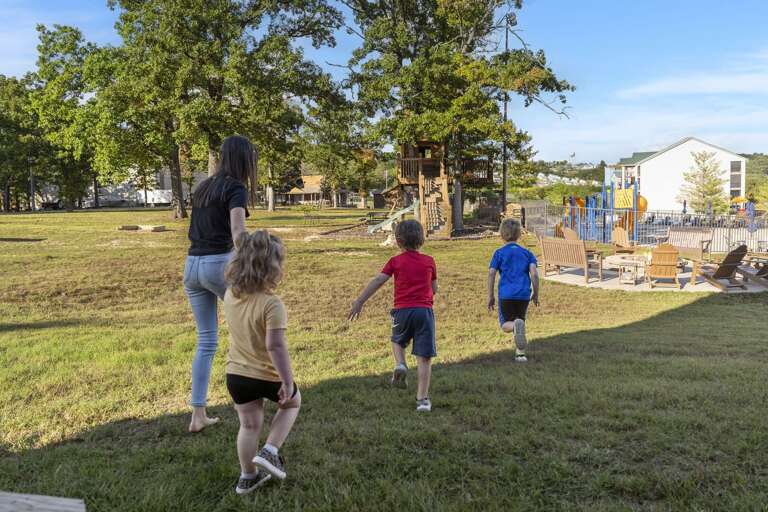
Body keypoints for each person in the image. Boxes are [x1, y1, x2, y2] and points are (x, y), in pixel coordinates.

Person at [183, 135, 254, 433]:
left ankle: (197, 415)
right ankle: (253, 401)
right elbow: (238, 231)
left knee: (207, 341)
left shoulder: (203, 187)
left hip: (192, 267)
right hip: (218, 265)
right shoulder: (236, 188)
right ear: (244, 160)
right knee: (251, 327)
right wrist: (254, 256)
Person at [224, 230, 301, 494]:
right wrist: (287, 381)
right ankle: (270, 450)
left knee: (248, 425)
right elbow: (275, 346)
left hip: (236, 375)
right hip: (266, 375)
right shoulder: (272, 304)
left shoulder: (230, 296)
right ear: (272, 268)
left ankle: (248, 477)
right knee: (292, 403)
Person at [348, 220, 438, 412]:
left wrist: (360, 301)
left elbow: (379, 280)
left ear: (398, 241)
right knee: (424, 357)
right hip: (424, 312)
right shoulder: (429, 261)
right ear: (422, 239)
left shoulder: (395, 261)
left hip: (402, 311)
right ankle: (422, 399)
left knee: (397, 340)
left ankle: (401, 364)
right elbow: (434, 288)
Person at [487, 218, 539, 362]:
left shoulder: (499, 253)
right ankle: (520, 355)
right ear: (519, 234)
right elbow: (534, 273)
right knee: (520, 322)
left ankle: (515, 327)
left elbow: (491, 273)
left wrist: (490, 296)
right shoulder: (527, 253)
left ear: (502, 235)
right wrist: (536, 293)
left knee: (506, 325)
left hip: (506, 294)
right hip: (523, 294)